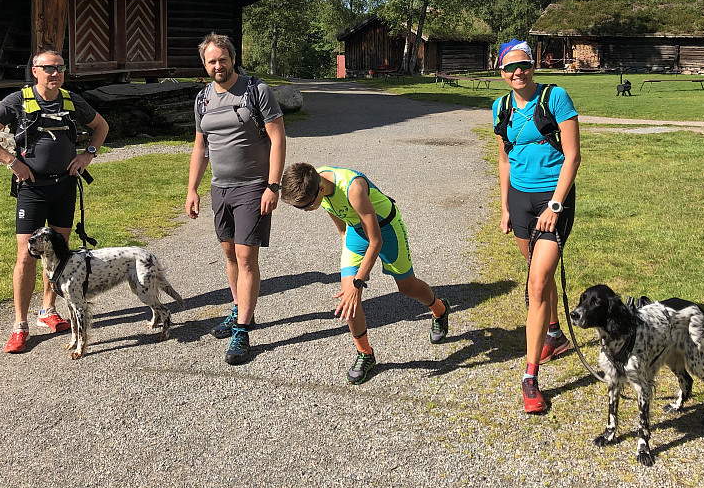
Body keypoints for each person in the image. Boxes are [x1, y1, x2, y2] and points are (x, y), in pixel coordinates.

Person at [0, 49, 109, 354]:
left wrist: (88, 154)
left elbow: (101, 127)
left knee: (58, 252)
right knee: (26, 256)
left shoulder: (72, 100)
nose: (55, 73)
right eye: (48, 68)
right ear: (35, 71)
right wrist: (10, 161)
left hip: (65, 187)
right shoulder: (17, 101)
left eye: (60, 68)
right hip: (32, 190)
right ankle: (20, 326)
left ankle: (47, 311)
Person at [281, 162, 451, 385]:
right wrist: (349, 273)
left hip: (386, 229)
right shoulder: (315, 182)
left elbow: (376, 241)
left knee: (407, 287)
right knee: (348, 297)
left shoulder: (353, 188)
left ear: (320, 190)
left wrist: (358, 281)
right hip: (355, 231)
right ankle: (365, 354)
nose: (304, 211)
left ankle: (440, 309)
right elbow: (340, 224)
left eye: (304, 206)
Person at [185, 33, 285, 365]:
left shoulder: (256, 91)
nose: (217, 65)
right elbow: (201, 147)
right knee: (228, 253)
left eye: (222, 59)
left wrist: (273, 186)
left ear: (232, 57)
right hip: (220, 188)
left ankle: (242, 329)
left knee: (245, 258)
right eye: (211, 61)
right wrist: (192, 189)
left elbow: (277, 137)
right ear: (204, 64)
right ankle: (241, 309)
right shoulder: (202, 100)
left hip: (253, 187)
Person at [493, 39, 581, 414]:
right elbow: (504, 160)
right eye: (511, 67)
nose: (518, 72)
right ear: (501, 72)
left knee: (536, 283)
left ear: (533, 66)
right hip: (520, 201)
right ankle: (555, 333)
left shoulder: (555, 96)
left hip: (553, 200)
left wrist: (556, 206)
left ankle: (530, 378)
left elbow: (573, 154)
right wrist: (505, 208)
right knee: (537, 276)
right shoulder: (500, 107)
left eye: (524, 65)